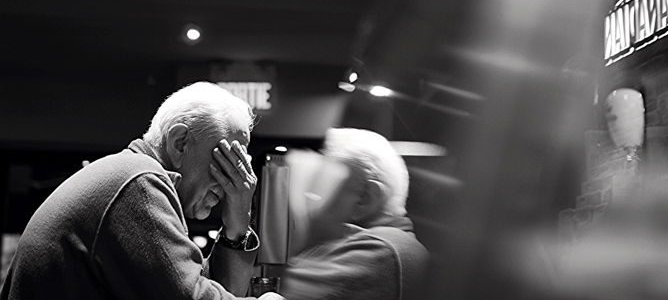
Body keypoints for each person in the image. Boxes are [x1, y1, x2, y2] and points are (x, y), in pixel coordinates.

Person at [1, 82, 282, 300]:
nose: (237, 181)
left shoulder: (132, 175)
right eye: (227, 160)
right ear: (180, 142)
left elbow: (203, 289)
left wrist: (237, 226)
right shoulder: (137, 182)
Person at [281, 128, 429, 300]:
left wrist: (305, 228)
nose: (312, 197)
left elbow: (291, 290)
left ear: (364, 197)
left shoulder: (378, 250)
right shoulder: (398, 244)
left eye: (325, 184)